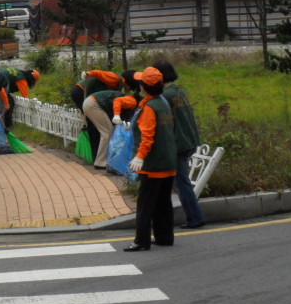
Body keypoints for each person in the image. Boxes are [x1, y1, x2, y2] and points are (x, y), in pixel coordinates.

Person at [124, 66, 178, 252]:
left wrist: (140, 157)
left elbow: (148, 136)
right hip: (168, 160)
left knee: (145, 204)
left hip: (153, 164)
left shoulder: (149, 107)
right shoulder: (163, 103)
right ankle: (165, 237)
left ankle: (141, 241)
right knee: (163, 202)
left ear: (144, 87)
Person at [153, 59, 206, 229]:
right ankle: (194, 217)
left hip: (178, 142)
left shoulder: (165, 97)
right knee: (182, 181)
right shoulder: (178, 91)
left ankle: (195, 218)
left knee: (182, 183)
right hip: (189, 139)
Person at [71, 69, 125, 156]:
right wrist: (89, 73)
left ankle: (94, 153)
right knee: (94, 124)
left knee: (93, 123)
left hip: (81, 92)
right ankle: (96, 154)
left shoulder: (116, 84)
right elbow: (99, 73)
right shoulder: (116, 78)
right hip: (81, 92)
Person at [82, 88, 137, 170]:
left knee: (108, 131)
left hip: (91, 102)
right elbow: (117, 101)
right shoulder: (132, 101)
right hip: (94, 104)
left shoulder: (128, 101)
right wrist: (117, 115)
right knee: (107, 132)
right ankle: (101, 163)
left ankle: (104, 160)